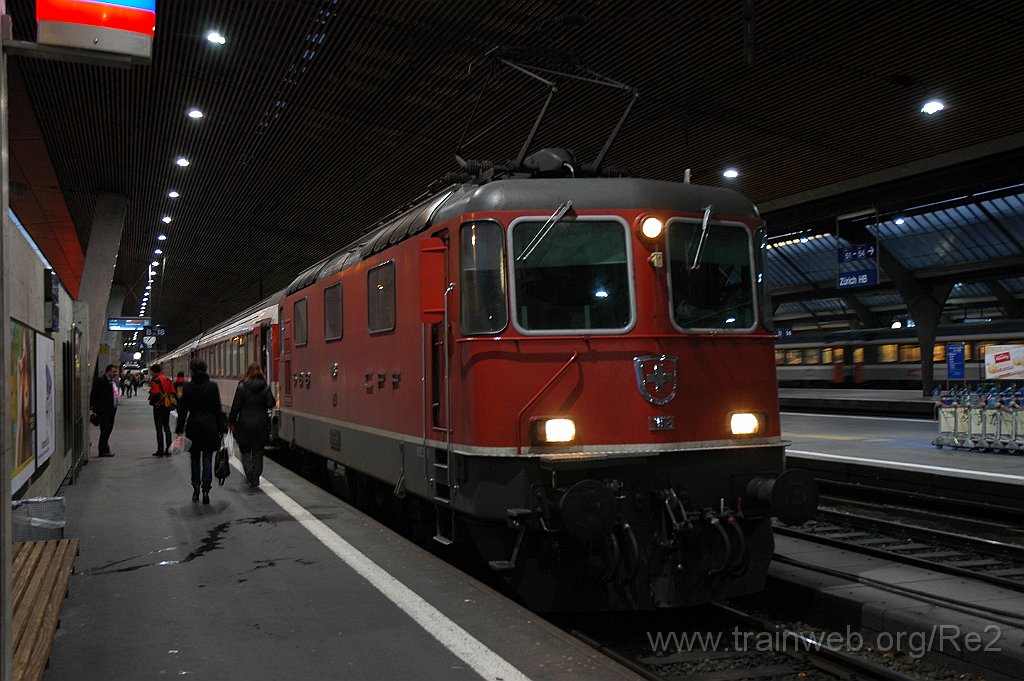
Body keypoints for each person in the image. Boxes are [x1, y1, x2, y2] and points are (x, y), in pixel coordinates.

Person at [175, 359, 227, 504]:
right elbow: (217, 409)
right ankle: (206, 490)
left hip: (193, 426)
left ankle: (196, 486)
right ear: (206, 369)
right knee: (208, 458)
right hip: (210, 425)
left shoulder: (187, 387)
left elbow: (183, 411)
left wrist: (179, 430)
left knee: (195, 458)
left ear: (191, 370)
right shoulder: (212, 386)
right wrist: (222, 429)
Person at [228, 363, 277, 486]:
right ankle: (255, 475)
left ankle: (250, 474)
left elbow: (235, 407)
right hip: (260, 424)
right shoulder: (265, 388)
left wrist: (231, 422)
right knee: (258, 451)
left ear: (248, 372)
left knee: (245, 451)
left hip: (244, 424)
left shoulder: (241, 387)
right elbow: (271, 403)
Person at [89, 364, 121, 457]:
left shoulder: (112, 381)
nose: (116, 373)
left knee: (108, 430)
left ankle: (105, 448)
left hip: (111, 409)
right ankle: (103, 450)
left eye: (116, 371)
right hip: (104, 410)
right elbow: (94, 394)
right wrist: (94, 408)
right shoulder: (101, 380)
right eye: (114, 371)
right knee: (105, 430)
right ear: (108, 371)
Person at [147, 363, 176, 456]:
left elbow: (155, 393)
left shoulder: (155, 380)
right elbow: (172, 391)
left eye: (151, 371)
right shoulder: (167, 379)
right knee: (167, 427)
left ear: (154, 371)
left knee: (159, 428)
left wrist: (151, 392)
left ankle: (160, 450)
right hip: (167, 405)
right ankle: (169, 449)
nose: (151, 373)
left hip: (158, 406)